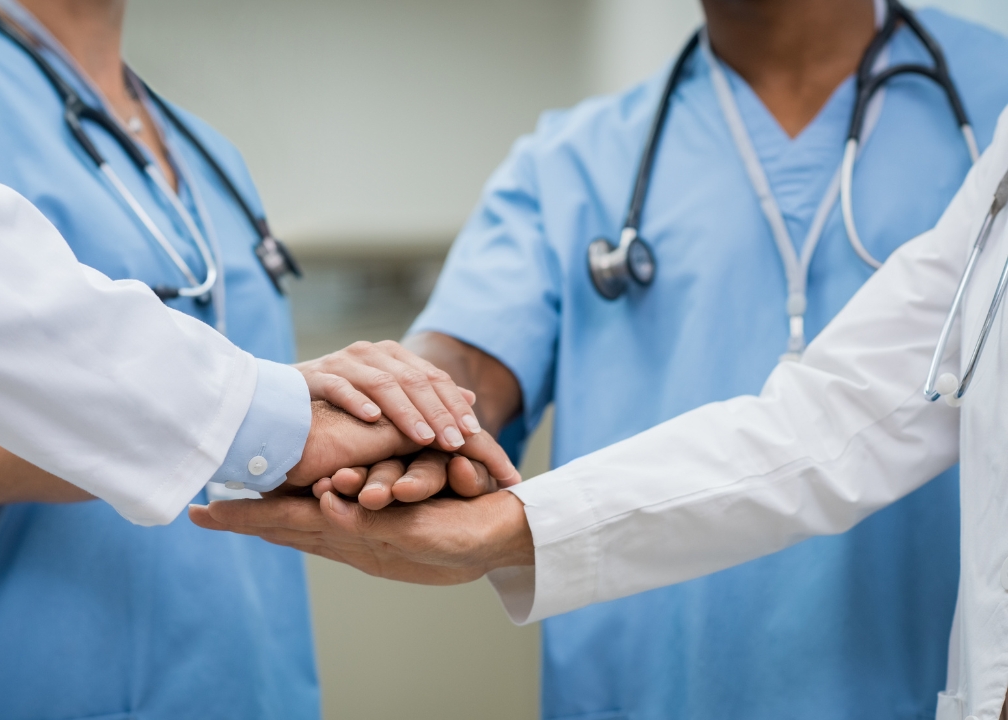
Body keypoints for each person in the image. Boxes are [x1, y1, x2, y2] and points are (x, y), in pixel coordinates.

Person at [209, 1, 1008, 719]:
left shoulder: (994, 96)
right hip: (646, 687)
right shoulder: (574, 161)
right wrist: (399, 404)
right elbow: (468, 358)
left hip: (913, 678)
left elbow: (847, 417)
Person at [0, 16, 499, 720]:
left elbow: (277, 424)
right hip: (24, 677)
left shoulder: (209, 153)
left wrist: (362, 436)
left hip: (246, 675)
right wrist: (273, 431)